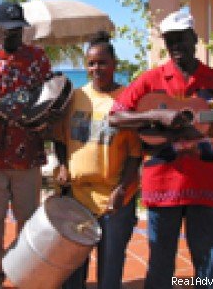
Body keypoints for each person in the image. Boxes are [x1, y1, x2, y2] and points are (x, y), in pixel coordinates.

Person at [109, 10, 213, 289]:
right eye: (170, 41)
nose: (175, 47)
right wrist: (155, 117)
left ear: (195, 38)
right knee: (160, 266)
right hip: (162, 185)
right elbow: (115, 116)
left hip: (205, 184)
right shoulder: (150, 81)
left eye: (181, 39)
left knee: (208, 266)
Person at [0, 1, 52, 289]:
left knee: (29, 225)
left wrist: (42, 117)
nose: (16, 36)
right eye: (9, 31)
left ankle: (22, 274)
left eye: (19, 30)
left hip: (27, 155)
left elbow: (51, 99)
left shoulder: (38, 59)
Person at [51, 31, 142, 288]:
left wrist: (122, 190)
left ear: (115, 65)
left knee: (110, 272)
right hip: (77, 199)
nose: (96, 68)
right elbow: (60, 139)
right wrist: (62, 165)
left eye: (102, 62)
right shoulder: (75, 98)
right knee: (72, 272)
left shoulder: (127, 100)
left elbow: (135, 154)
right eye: (91, 63)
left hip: (114, 201)